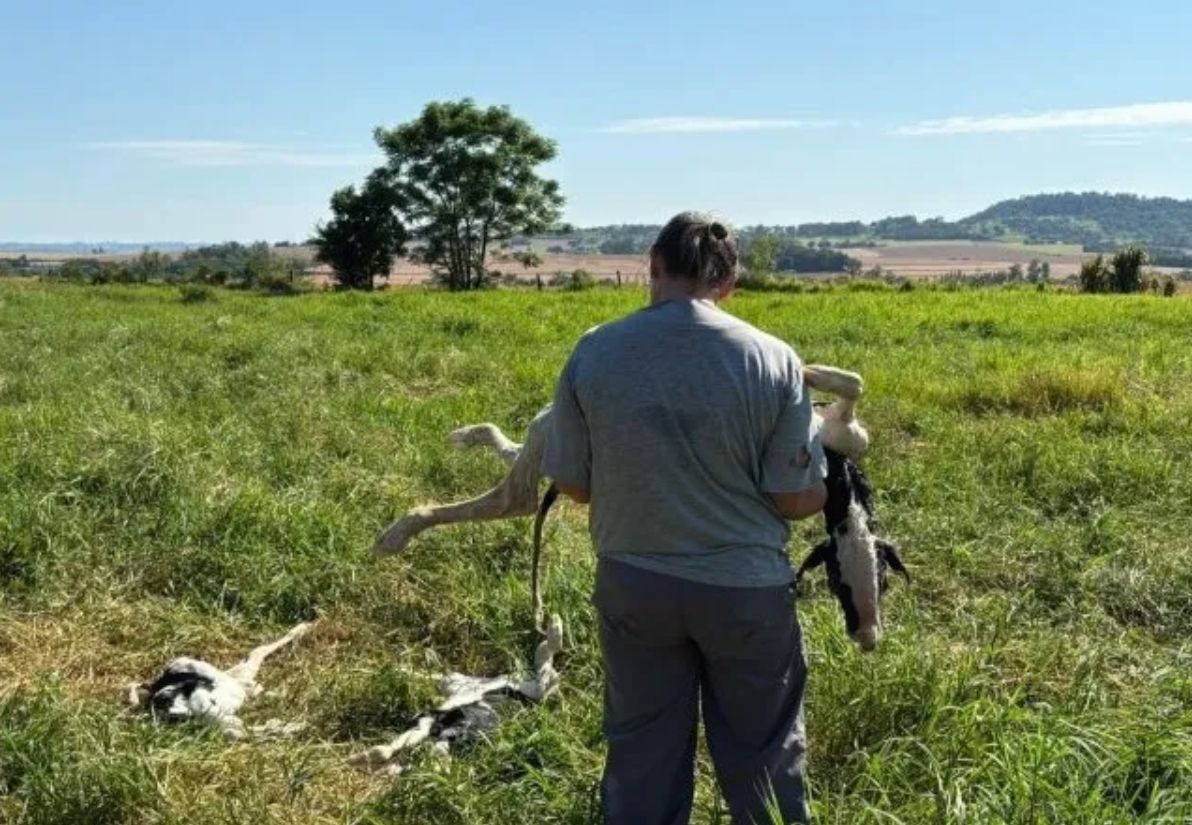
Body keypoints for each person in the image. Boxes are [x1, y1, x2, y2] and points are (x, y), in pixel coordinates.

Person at [541, 213, 827, 824]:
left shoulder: (593, 352)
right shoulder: (775, 360)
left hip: (634, 588)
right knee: (765, 754)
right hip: (746, 594)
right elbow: (793, 499)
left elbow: (574, 485)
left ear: (652, 266)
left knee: (642, 752)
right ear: (729, 285)